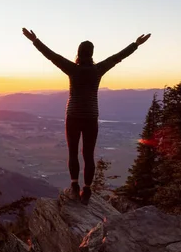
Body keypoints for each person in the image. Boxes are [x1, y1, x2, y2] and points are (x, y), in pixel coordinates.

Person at [22, 28, 151, 204]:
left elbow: (52, 56)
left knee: (73, 152)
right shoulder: (98, 69)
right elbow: (118, 57)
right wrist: (136, 44)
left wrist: (35, 40)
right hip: (91, 116)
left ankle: (74, 186)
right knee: (88, 154)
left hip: (73, 115)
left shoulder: (72, 69)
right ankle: (87, 190)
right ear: (91, 54)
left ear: (78, 53)